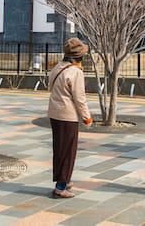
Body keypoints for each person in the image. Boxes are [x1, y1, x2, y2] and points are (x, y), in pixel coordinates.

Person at [47, 37, 93, 198]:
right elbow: (79, 97)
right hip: (68, 115)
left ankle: (63, 179)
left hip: (54, 113)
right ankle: (61, 185)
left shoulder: (58, 67)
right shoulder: (75, 72)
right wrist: (87, 117)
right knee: (68, 150)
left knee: (59, 149)